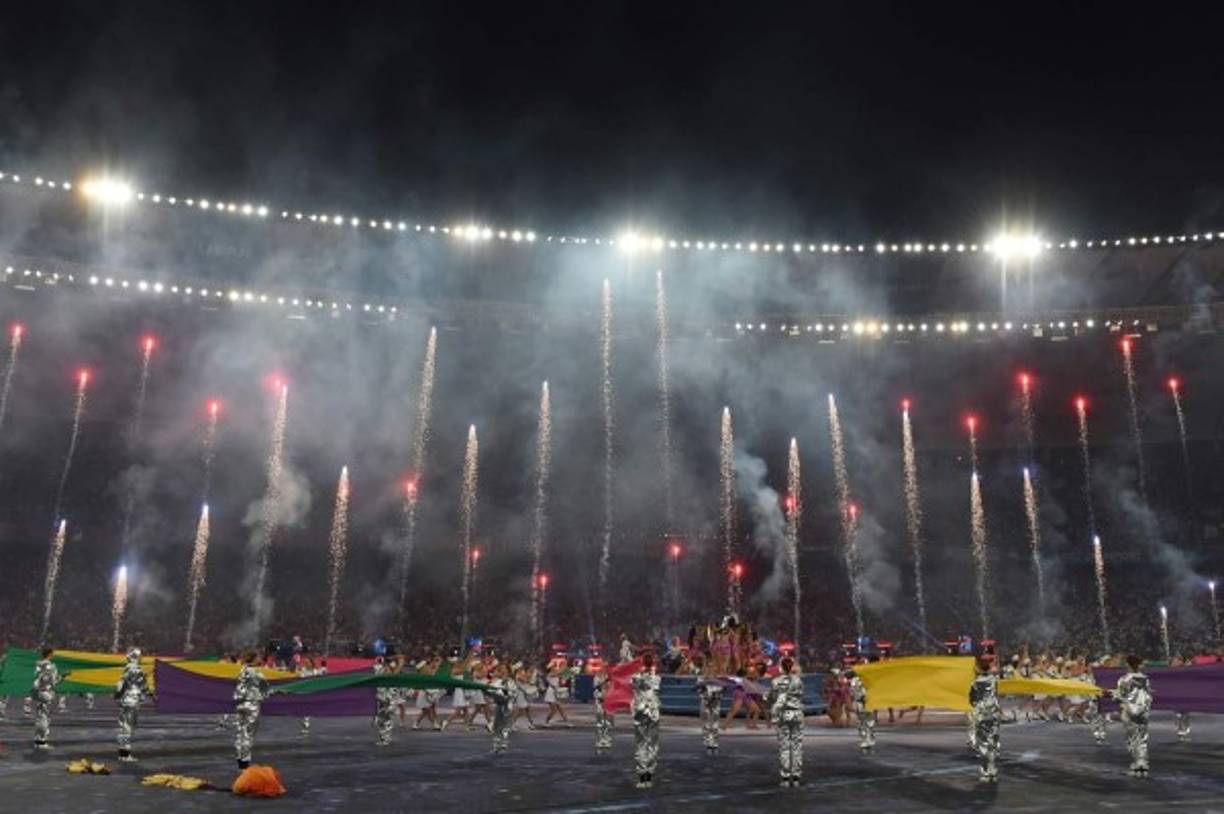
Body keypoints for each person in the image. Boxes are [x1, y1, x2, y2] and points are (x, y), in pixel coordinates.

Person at [768, 656, 805, 787]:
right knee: (797, 745)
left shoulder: (775, 681)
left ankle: (785, 777)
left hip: (783, 714)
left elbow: (773, 697)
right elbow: (801, 695)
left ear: (781, 667)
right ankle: (796, 777)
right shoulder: (798, 680)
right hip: (797, 714)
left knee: (784, 746)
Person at [1114, 654, 1153, 777]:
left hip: (1129, 710)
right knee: (1142, 737)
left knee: (1132, 737)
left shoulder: (1124, 679)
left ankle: (1136, 762)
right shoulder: (1145, 679)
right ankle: (1143, 763)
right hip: (1143, 710)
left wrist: (1111, 694)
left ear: (1128, 664)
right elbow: (1148, 693)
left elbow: (1119, 696)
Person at [234, 651, 272, 770]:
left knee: (240, 733)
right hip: (252, 705)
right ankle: (245, 763)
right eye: (258, 657)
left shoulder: (242, 670)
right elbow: (266, 689)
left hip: (240, 705)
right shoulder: (257, 673)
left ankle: (240, 760)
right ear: (254, 659)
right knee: (248, 734)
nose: (260, 658)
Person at [114, 647, 152, 762]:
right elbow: (143, 686)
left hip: (124, 700)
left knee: (123, 727)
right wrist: (149, 694)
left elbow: (120, 685)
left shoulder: (127, 669)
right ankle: (125, 755)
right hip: (132, 700)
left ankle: (122, 754)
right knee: (128, 727)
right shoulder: (136, 669)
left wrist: (118, 697)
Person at [631, 652, 662, 788]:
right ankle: (648, 776)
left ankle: (643, 776)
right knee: (652, 744)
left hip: (642, 712)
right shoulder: (656, 678)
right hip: (652, 712)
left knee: (642, 743)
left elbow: (634, 684)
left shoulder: (637, 678)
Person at [969, 656, 1001, 783]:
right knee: (993, 743)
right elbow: (997, 694)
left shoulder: (975, 683)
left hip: (981, 714)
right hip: (993, 714)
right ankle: (993, 770)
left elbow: (972, 700)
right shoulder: (994, 680)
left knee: (983, 745)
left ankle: (985, 773)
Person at [30, 647, 60, 750]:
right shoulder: (51, 666)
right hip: (46, 692)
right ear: (50, 654)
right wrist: (62, 678)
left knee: (39, 716)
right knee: (45, 717)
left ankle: (37, 741)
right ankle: (42, 741)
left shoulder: (37, 665)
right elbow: (52, 681)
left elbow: (35, 678)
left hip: (37, 692)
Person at [696, 660, 724, 755]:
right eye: (709, 666)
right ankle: (708, 743)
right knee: (706, 724)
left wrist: (716, 694)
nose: (711, 668)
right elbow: (698, 689)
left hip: (716, 702)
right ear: (706, 667)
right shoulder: (701, 678)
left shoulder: (719, 679)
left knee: (715, 724)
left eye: (713, 666)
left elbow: (722, 689)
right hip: (705, 702)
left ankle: (715, 744)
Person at [488, 664, 515, 754]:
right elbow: (490, 690)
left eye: (504, 669)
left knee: (505, 726)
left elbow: (513, 694)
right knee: (496, 727)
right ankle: (496, 746)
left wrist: (506, 693)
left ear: (508, 671)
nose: (503, 671)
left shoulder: (510, 681)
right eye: (501, 669)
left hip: (507, 705)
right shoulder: (497, 681)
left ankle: (504, 745)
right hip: (498, 705)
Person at [848, 668, 875, 754]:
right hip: (862, 703)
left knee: (867, 723)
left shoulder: (861, 680)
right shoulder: (856, 682)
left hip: (866, 703)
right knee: (864, 723)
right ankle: (866, 742)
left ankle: (868, 741)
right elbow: (855, 693)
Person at [373, 657, 397, 746]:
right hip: (382, 698)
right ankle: (384, 738)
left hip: (388, 699)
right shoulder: (381, 671)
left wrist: (386, 702)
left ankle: (386, 739)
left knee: (386, 719)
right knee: (381, 720)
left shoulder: (391, 675)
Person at [593, 666, 614, 754]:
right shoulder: (597, 679)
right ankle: (599, 740)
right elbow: (596, 688)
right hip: (600, 701)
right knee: (600, 722)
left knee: (608, 722)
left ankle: (607, 739)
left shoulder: (611, 681)